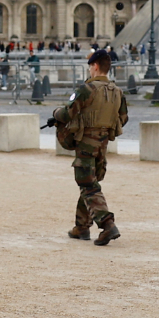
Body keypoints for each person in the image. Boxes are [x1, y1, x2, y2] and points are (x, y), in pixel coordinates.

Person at [53, 49, 128, 246]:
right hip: (103, 145)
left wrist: (55, 114)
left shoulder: (86, 89)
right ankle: (82, 227)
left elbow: (67, 113)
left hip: (86, 142)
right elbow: (124, 118)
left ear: (95, 66)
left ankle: (107, 224)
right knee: (89, 183)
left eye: (90, 66)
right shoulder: (117, 92)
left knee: (87, 185)